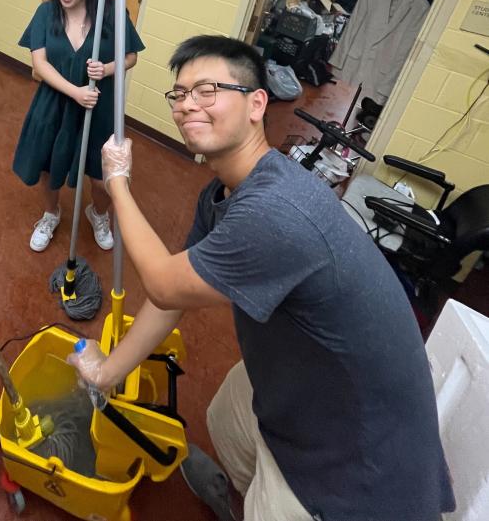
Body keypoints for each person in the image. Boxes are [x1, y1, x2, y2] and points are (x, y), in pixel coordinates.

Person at [69, 35, 455, 521]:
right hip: (298, 375)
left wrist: (119, 186)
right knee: (225, 418)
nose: (188, 105)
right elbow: (175, 297)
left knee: (277, 501)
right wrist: (108, 373)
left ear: (257, 104)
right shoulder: (226, 191)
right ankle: (238, 501)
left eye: (207, 90)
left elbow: (163, 283)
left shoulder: (276, 212)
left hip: (353, 457)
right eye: (180, 94)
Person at [13, 0, 144, 252]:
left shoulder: (111, 12)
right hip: (54, 104)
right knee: (48, 168)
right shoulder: (46, 13)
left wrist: (107, 68)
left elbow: (131, 57)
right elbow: (39, 63)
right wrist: (75, 92)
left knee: (103, 178)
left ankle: (98, 214)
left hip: (99, 107)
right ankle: (51, 213)